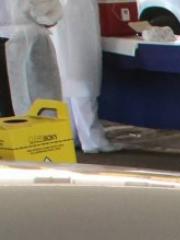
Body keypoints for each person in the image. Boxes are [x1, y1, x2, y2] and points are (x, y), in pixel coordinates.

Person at [52, 0, 113, 153]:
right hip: (75, 21)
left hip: (62, 23)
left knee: (69, 85)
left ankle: (71, 135)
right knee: (83, 84)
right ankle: (92, 139)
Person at [1, 0, 62, 116]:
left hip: (13, 39)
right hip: (28, 38)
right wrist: (50, 15)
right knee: (44, 111)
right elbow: (48, 13)